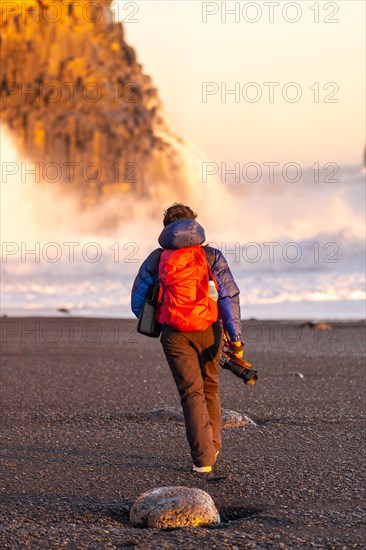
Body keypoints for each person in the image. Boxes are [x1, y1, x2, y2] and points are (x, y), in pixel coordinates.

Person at [131, 203, 243, 473]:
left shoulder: (157, 259)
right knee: (210, 387)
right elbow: (229, 297)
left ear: (166, 228)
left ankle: (203, 461)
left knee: (191, 394)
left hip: (175, 335)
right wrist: (235, 339)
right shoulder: (211, 255)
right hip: (209, 330)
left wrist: (162, 320)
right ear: (194, 224)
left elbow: (137, 302)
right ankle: (213, 446)